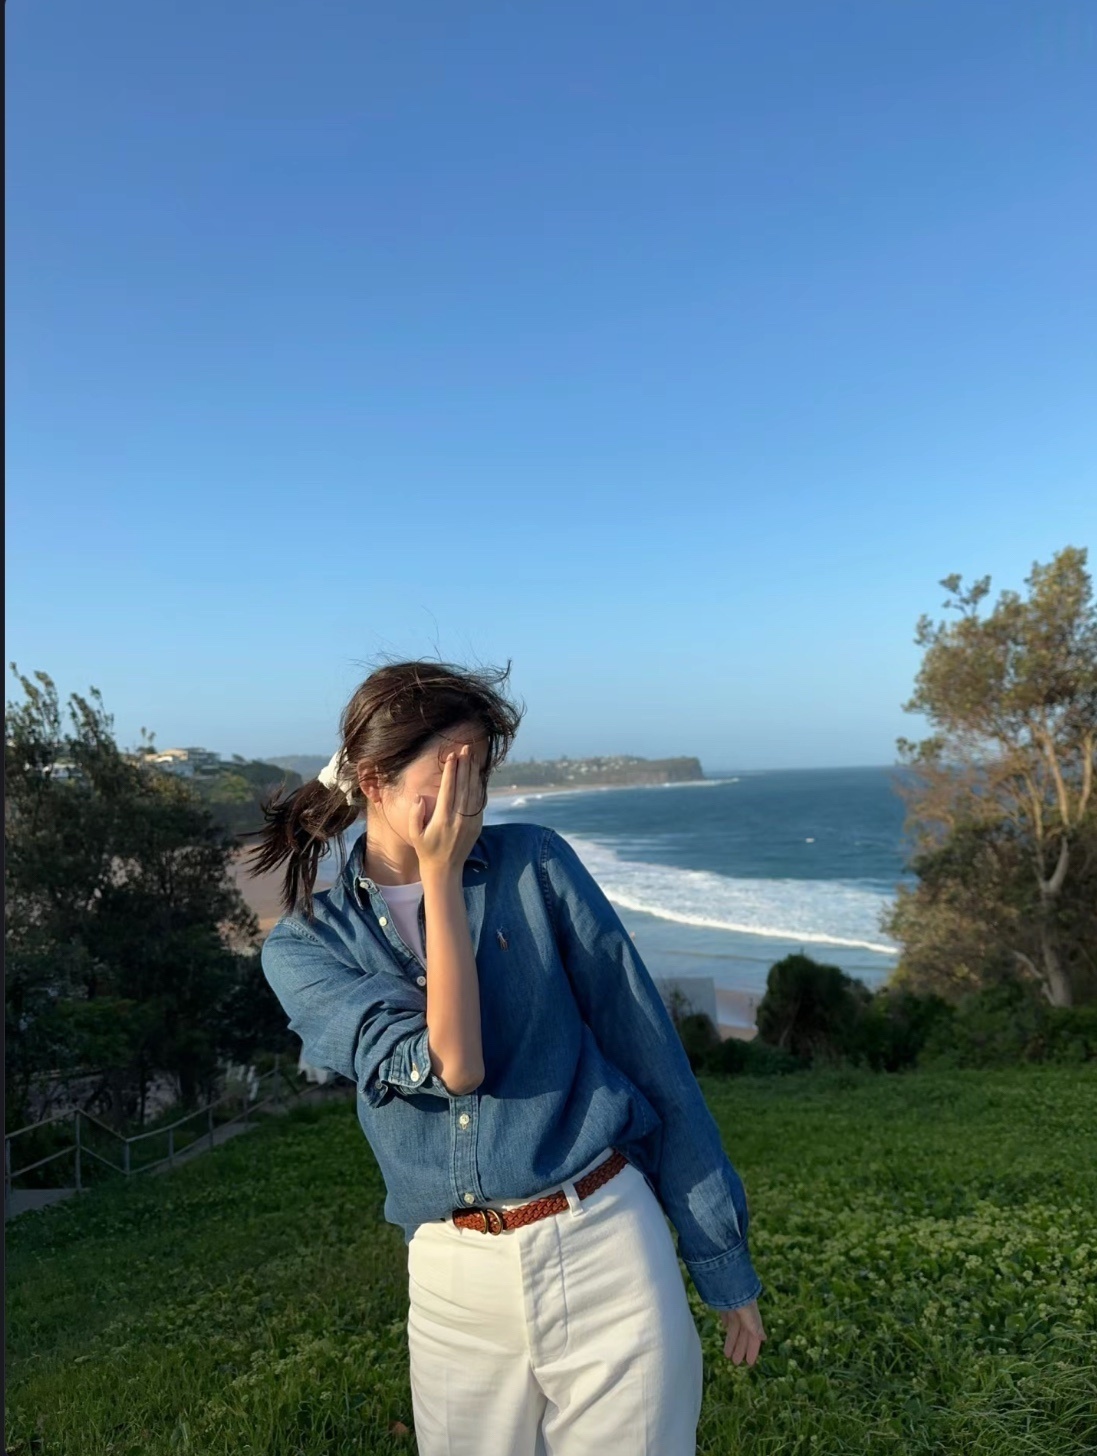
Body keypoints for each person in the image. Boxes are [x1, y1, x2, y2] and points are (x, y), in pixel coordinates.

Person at [249, 658, 767, 1456]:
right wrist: (440, 877)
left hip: (605, 1242)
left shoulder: (537, 864)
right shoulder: (307, 946)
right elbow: (454, 1065)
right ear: (374, 781)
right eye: (450, 779)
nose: (470, 805)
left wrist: (719, 1256)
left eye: (481, 779)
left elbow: (651, 1057)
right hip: (454, 1282)